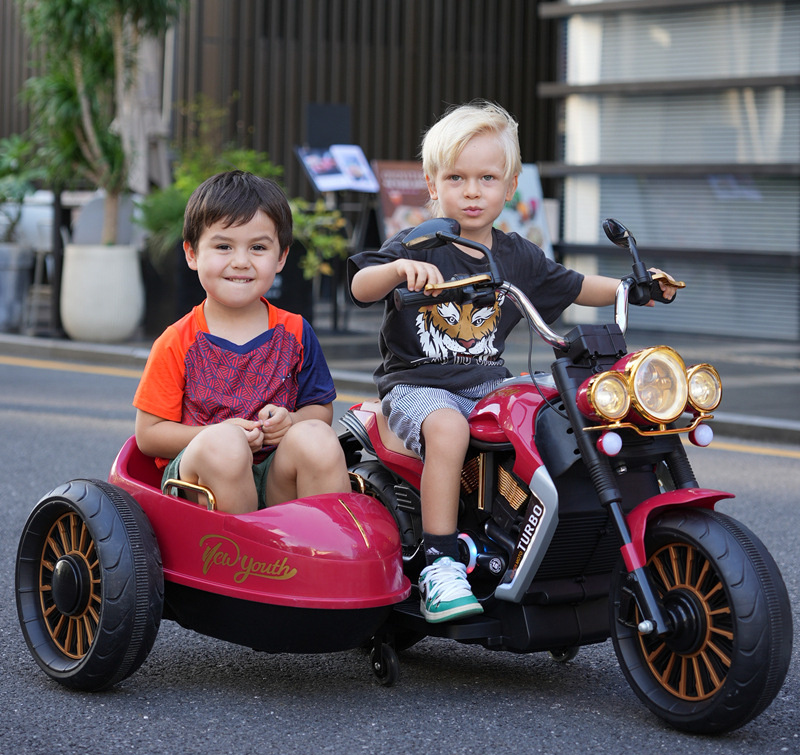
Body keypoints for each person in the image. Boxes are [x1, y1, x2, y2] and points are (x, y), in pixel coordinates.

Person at [348, 101, 676, 624]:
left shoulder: (517, 255)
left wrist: (631, 288)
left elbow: (572, 284)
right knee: (449, 430)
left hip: (487, 384)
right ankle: (440, 563)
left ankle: (540, 539)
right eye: (456, 178)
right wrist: (398, 269)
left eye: (487, 178)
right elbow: (362, 286)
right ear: (432, 184)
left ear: (511, 185)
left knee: (555, 411)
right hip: (418, 386)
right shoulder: (419, 242)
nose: (472, 191)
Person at [134, 170, 351, 514]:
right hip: (201, 485)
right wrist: (219, 432)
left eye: (258, 248)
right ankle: (238, 546)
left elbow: (320, 411)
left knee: (316, 437)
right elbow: (149, 435)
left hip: (276, 476)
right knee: (225, 444)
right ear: (192, 253)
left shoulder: (295, 331)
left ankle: (326, 542)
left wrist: (290, 422)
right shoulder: (177, 340)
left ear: (281, 257)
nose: (240, 262)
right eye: (223, 246)